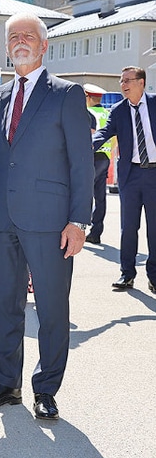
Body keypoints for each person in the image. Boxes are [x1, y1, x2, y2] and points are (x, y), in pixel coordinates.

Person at [0, 13, 93, 420]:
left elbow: (82, 163)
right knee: (5, 304)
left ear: (43, 46)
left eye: (29, 36)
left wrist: (79, 221)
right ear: (7, 47)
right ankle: (7, 383)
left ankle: (46, 388)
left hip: (51, 222)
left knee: (52, 307)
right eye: (13, 37)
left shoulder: (67, 94)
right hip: (2, 220)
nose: (20, 41)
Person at [94, 67, 156, 292]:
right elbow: (105, 132)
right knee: (128, 227)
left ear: (141, 82)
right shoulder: (118, 110)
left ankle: (154, 276)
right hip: (131, 176)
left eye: (128, 80)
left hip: (154, 174)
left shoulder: (154, 103)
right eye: (121, 81)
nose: (123, 84)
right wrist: (85, 144)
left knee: (154, 229)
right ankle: (127, 274)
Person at [84, 83, 115, 245]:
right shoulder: (107, 112)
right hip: (105, 157)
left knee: (85, 194)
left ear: (88, 97)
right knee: (100, 197)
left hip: (92, 157)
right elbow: (114, 138)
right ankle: (96, 232)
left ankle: (80, 229)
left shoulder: (88, 113)